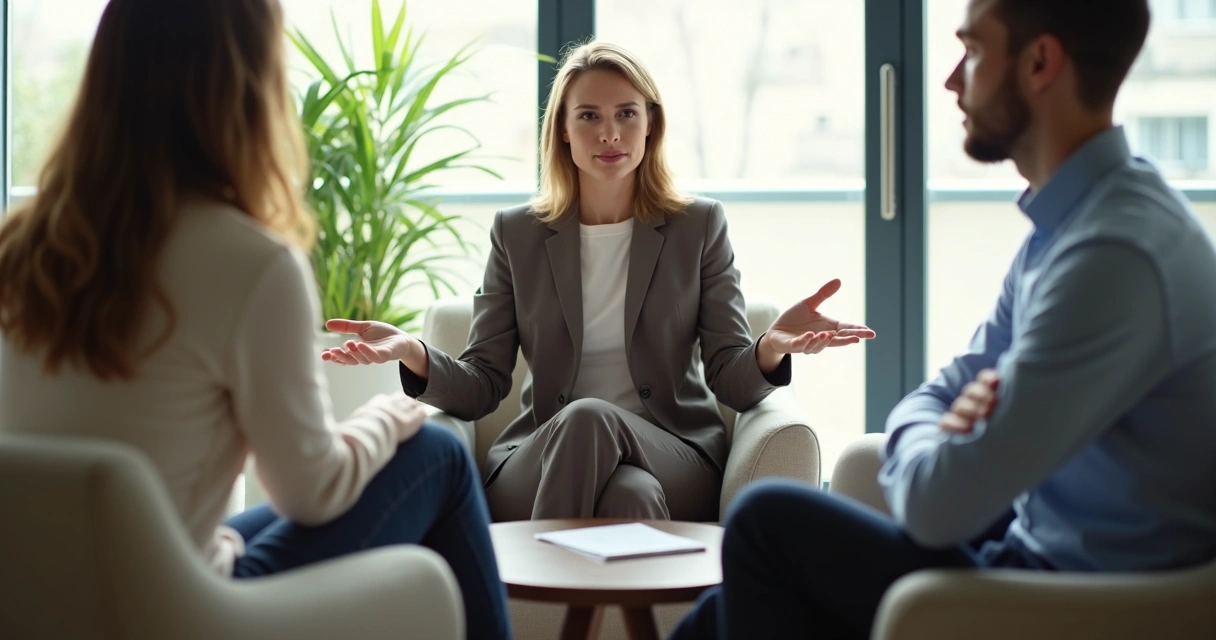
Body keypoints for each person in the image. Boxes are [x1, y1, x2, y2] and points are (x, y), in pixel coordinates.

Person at [671, 0, 1216, 638]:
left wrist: (949, 439)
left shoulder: (1112, 256)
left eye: (974, 52)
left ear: (1040, 63)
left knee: (766, 524)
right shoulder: (1072, 226)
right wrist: (946, 431)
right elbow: (943, 391)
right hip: (1033, 549)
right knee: (730, 604)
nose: (953, 79)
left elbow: (936, 508)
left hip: (1085, 601)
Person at [0, 2, 510, 638]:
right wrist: (385, 416)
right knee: (437, 453)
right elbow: (311, 491)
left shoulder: (23, 246)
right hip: (179, 613)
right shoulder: (251, 262)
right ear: (247, 90)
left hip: (45, 599)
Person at [321, 41, 875, 523]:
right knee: (625, 486)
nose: (609, 132)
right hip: (540, 458)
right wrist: (415, 353)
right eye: (588, 115)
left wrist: (771, 347)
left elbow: (731, 380)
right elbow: (484, 384)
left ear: (651, 122)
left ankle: (526, 592)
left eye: (626, 113)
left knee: (605, 438)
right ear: (563, 129)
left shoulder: (698, 226)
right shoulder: (517, 233)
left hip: (674, 455)